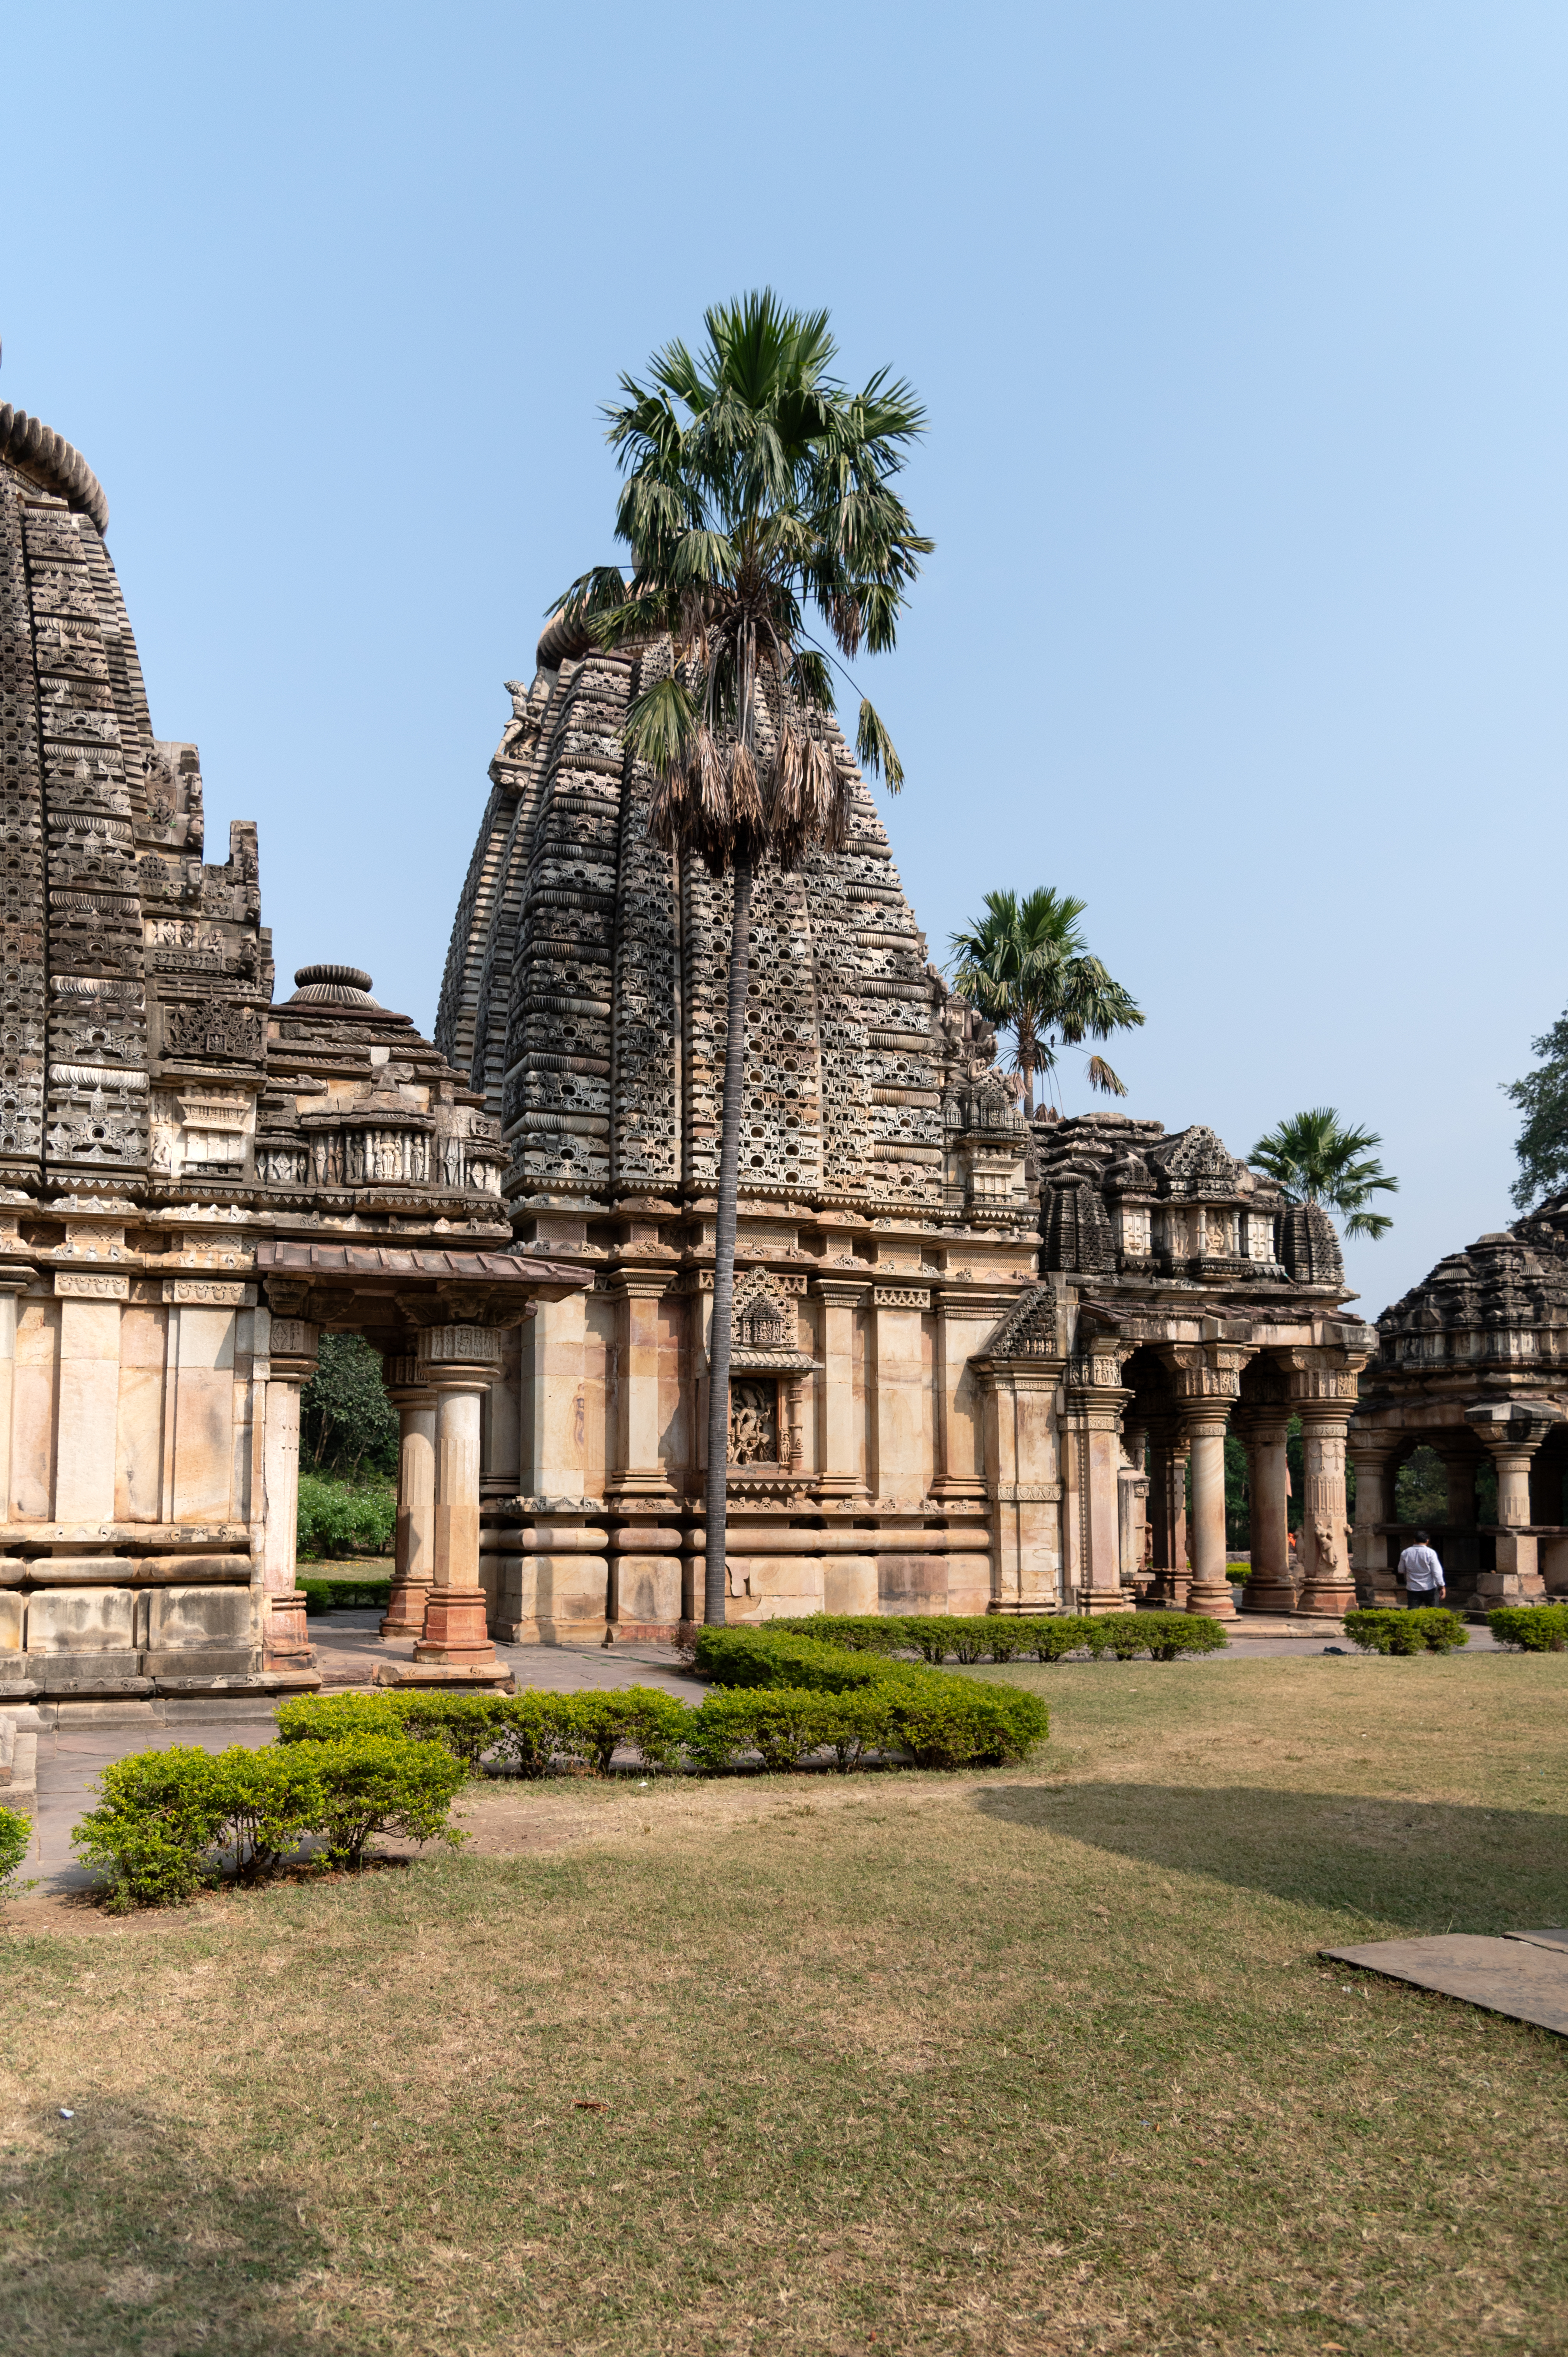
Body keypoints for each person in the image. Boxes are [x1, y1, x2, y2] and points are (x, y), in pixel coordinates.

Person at [1397, 1529, 1446, 1606]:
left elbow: (1401, 1570)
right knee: (1433, 1614)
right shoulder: (1431, 1553)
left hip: (1413, 1588)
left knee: (1412, 1615)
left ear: (1414, 1540)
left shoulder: (1406, 1552)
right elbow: (1437, 1572)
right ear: (1427, 1541)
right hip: (1429, 1588)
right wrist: (1442, 1586)